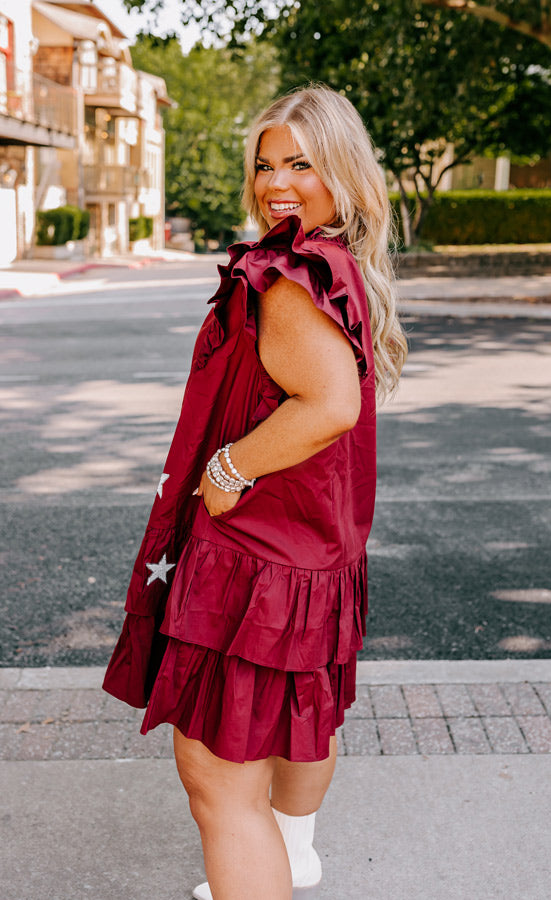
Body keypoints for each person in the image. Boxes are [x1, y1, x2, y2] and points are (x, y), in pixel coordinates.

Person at [103, 84, 407, 900]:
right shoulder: (337, 264)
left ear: (343, 171)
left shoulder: (288, 277)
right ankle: (296, 855)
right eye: (267, 163)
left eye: (302, 164)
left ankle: (272, 863)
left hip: (255, 560)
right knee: (300, 723)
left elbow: (330, 405)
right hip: (311, 550)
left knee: (218, 784)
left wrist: (226, 470)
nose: (277, 181)